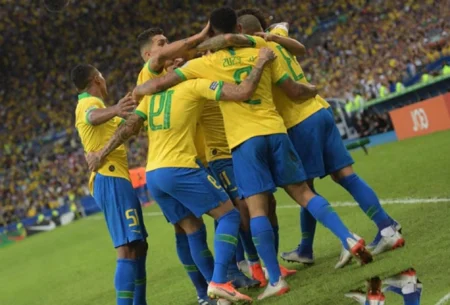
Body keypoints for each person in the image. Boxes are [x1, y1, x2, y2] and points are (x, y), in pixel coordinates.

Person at [133, 7, 373, 301]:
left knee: (255, 209)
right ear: (238, 26)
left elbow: (151, 86)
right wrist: (312, 88)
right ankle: (348, 238)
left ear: (213, 32)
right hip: (275, 131)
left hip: (243, 142)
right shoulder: (262, 48)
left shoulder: (204, 65)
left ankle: (273, 279)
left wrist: (139, 92)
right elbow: (294, 82)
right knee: (303, 193)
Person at [87, 48, 277, 303]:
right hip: (181, 168)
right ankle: (220, 281)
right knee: (230, 214)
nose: (180, 61)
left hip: (155, 175)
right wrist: (261, 62)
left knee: (191, 230)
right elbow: (243, 92)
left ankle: (211, 295)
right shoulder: (193, 86)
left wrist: (101, 152)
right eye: (175, 62)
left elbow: (128, 128)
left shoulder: (150, 98)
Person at [237, 12, 404, 268]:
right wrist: (271, 31)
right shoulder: (276, 38)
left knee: (304, 189)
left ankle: (320, 245)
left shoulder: (255, 55)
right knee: (345, 175)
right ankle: (387, 228)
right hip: (321, 111)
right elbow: (284, 24)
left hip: (299, 121)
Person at [71, 64, 148, 305]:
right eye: (102, 77)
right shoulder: (88, 103)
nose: (105, 82)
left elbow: (124, 131)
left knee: (139, 245)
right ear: (96, 79)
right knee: (126, 248)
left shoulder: (103, 109)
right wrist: (116, 109)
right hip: (110, 177)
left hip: (118, 178)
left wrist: (135, 114)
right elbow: (91, 118)